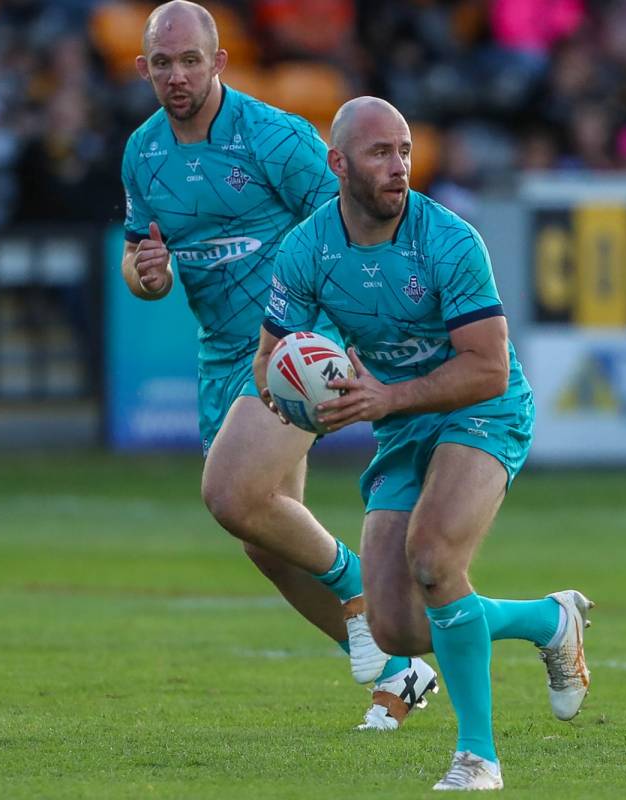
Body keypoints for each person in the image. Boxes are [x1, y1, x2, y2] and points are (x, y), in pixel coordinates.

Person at [254, 96, 594, 790]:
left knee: (434, 558)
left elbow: (488, 368)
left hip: (483, 410)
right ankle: (548, 620)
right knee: (397, 629)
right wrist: (299, 397)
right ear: (338, 163)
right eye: (380, 153)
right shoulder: (308, 248)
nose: (399, 166)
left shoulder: (449, 241)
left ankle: (478, 758)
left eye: (405, 151)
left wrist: (387, 397)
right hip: (404, 423)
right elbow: (267, 359)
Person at [120, 2, 435, 729]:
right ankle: (399, 671)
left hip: (295, 341)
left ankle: (364, 598)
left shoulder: (274, 136)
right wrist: (148, 273)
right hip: (220, 354)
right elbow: (139, 263)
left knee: (230, 494)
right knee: (266, 542)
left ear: (219, 62)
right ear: (143, 69)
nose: (177, 75)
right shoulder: (142, 152)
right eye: (163, 64)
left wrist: (351, 329)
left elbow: (354, 222)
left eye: (190, 60)